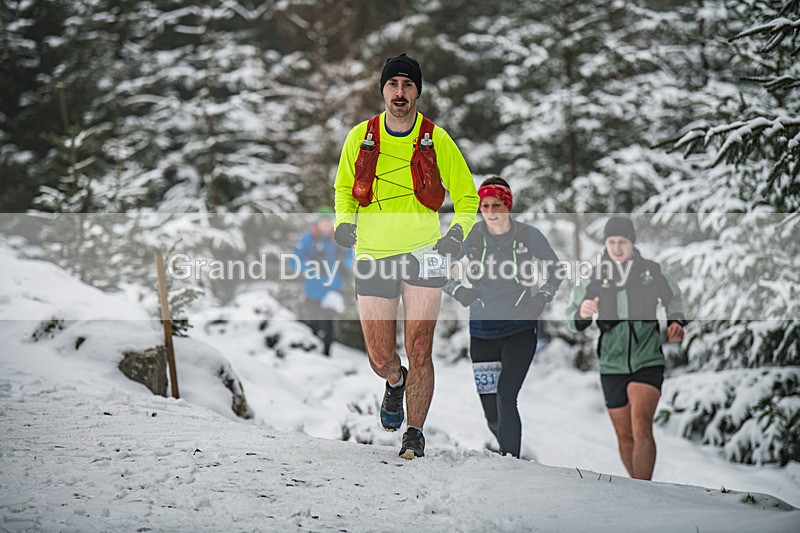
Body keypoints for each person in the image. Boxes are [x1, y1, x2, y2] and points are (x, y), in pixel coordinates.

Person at [333, 53, 479, 459]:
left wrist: (456, 237)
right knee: (381, 355)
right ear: (383, 91)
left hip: (425, 253)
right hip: (374, 252)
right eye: (393, 85)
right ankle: (394, 382)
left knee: (419, 347)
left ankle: (414, 432)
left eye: (408, 85)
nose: (400, 93)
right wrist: (344, 223)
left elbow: (468, 198)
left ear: (417, 91)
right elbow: (344, 191)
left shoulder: (436, 138)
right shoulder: (361, 137)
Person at [444, 177, 562, 458]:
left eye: (497, 204)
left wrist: (541, 297)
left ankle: (512, 463)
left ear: (508, 206)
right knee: (491, 412)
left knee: (506, 397)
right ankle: (508, 448)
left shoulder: (527, 236)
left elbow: (556, 268)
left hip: (519, 330)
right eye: (485, 205)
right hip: (482, 333)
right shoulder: (471, 236)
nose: (491, 210)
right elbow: (437, 267)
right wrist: (458, 290)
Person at [566, 216, 685, 480]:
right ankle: (638, 490)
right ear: (605, 244)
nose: (617, 247)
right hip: (611, 362)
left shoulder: (651, 272)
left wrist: (676, 320)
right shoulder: (594, 277)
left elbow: (674, 298)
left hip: (647, 358)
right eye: (611, 242)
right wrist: (583, 312)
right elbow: (573, 318)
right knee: (625, 435)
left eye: (622, 241)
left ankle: (644, 491)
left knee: (641, 425)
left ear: (632, 242)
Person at [293, 207, 354, 356]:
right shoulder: (307, 239)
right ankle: (312, 353)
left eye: (328, 222)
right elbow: (294, 261)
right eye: (322, 222)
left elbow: (351, 253)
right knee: (313, 323)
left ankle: (326, 354)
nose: (325, 225)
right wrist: (311, 267)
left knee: (327, 321)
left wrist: (344, 267)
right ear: (317, 223)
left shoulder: (339, 238)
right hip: (312, 289)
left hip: (333, 287)